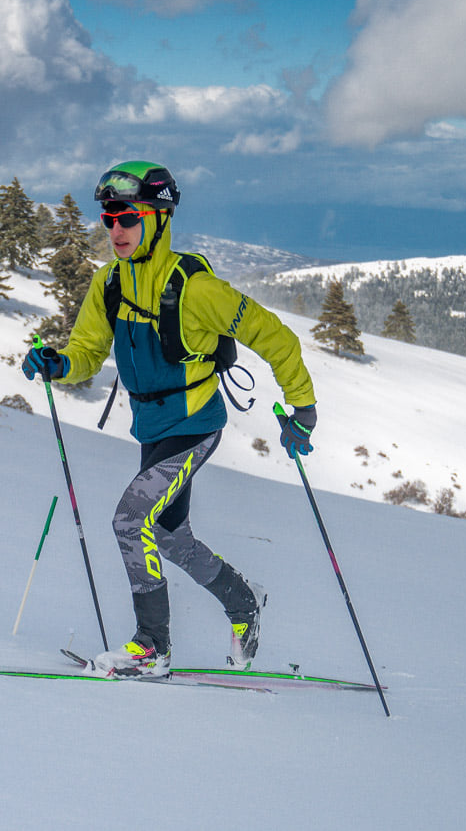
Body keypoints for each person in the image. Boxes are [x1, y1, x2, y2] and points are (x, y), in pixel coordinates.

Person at [21, 161, 317, 677]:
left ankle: (151, 647)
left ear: (157, 219)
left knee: (131, 520)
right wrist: (59, 363)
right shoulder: (109, 284)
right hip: (152, 429)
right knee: (170, 536)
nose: (115, 230)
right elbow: (88, 353)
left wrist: (303, 409)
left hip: (194, 425)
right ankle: (243, 600)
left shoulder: (197, 291)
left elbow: (277, 337)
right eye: (108, 218)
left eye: (127, 218)